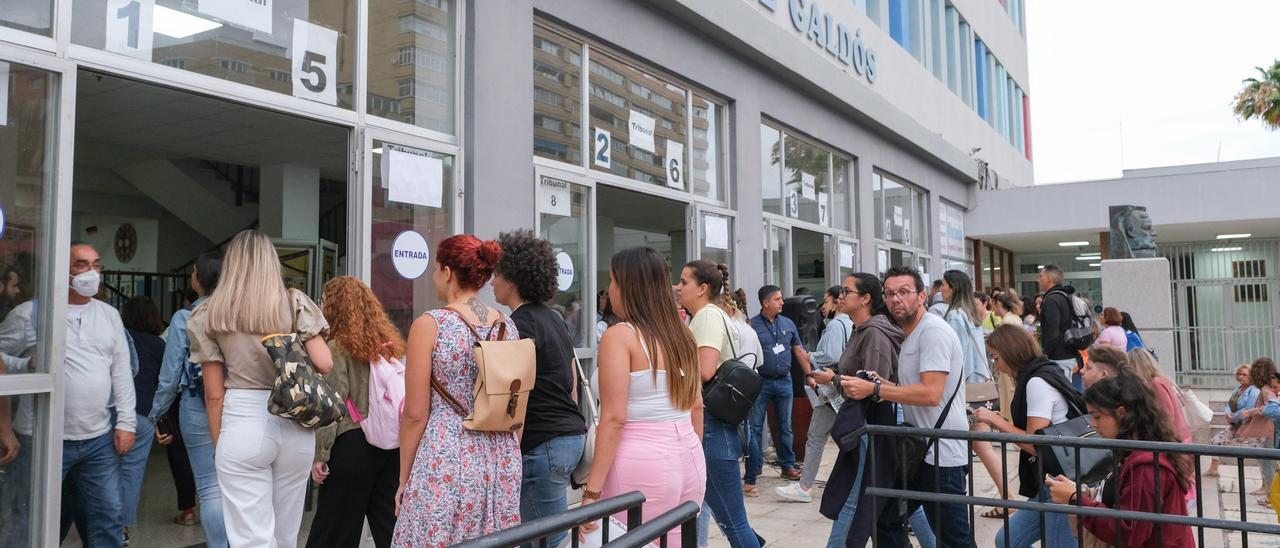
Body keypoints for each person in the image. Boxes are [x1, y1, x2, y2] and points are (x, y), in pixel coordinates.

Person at [188, 230, 332, 547]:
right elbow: (324, 363)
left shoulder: (210, 313)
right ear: (272, 262)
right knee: (284, 537)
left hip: (242, 422)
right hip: (294, 422)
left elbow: (214, 396)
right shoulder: (294, 303)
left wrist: (218, 445)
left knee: (251, 539)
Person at [0, 243, 135, 547]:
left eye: (96, 265)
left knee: (108, 514)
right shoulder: (30, 314)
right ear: (63, 271)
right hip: (42, 436)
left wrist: (126, 422)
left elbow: (121, 372)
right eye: (81, 264)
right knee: (28, 516)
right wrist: (25, 363)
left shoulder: (109, 315)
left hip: (98, 438)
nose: (92, 272)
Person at [394, 234, 521, 545]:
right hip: (501, 454)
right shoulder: (507, 326)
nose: (435, 277)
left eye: (437, 270)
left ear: (448, 272)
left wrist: (403, 478)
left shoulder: (430, 325)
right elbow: (516, 406)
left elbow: (414, 414)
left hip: (447, 452)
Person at [843, 266, 976, 548]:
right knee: (884, 518)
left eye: (904, 292)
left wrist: (878, 389)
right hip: (920, 449)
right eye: (890, 294)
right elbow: (917, 389)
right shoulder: (911, 334)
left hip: (942, 454)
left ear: (922, 295)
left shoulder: (933, 333)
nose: (895, 300)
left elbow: (931, 393)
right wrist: (882, 385)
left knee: (954, 540)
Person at [581, 250, 706, 548]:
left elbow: (613, 418)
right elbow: (697, 405)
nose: (609, 290)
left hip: (639, 461)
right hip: (689, 456)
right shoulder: (683, 336)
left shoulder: (620, 336)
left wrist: (592, 493)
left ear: (628, 286)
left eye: (612, 281)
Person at [492, 230, 587, 548]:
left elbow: (512, 396)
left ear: (512, 278)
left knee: (546, 540)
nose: (492, 281)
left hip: (542, 441)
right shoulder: (555, 318)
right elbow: (570, 381)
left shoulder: (516, 325)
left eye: (497, 273)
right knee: (552, 532)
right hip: (569, 435)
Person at [306, 276, 404, 548]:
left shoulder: (336, 348)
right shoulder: (385, 346)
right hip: (388, 446)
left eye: (325, 302)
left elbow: (331, 406)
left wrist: (320, 455)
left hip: (352, 444)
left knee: (334, 531)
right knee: (389, 528)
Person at [1045, 373, 1195, 547]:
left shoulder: (1145, 467)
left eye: (1097, 416)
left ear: (1121, 413)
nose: (1092, 424)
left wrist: (1075, 498)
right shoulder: (1140, 451)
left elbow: (1128, 532)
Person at [971, 324, 1084, 547]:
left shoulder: (1036, 382)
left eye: (996, 358)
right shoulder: (1043, 371)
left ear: (1011, 353)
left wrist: (997, 421)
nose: (996, 366)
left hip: (1060, 480)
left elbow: (1035, 444)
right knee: (1007, 539)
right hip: (1053, 478)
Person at [150, 251, 226, 547]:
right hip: (237, 403)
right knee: (237, 483)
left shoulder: (187, 317)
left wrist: (157, 413)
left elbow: (169, 375)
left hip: (197, 404)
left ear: (199, 279)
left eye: (193, 271)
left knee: (209, 486)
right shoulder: (238, 314)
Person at [823, 273, 903, 547]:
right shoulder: (860, 331)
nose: (840, 297)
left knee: (852, 500)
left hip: (870, 426)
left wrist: (834, 380)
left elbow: (872, 388)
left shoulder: (874, 335)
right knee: (893, 503)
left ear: (866, 299)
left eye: (847, 291)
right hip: (866, 425)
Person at [930, 270, 1002, 517]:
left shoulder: (955, 316)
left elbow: (954, 357)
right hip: (978, 387)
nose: (941, 290)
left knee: (980, 446)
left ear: (954, 288)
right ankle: (1008, 498)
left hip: (966, 390)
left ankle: (1009, 498)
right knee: (980, 446)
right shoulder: (970, 314)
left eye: (945, 286)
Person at [777, 286, 852, 503]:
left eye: (826, 302)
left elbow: (831, 354)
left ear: (836, 302)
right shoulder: (849, 323)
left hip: (831, 389)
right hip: (840, 388)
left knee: (816, 438)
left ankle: (805, 486)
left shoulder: (837, 324)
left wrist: (809, 355)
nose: (823, 307)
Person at [746, 285, 814, 489]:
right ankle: (754, 468)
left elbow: (800, 351)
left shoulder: (788, 323)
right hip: (761, 381)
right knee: (756, 426)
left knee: (785, 425)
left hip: (784, 381)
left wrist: (809, 375)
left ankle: (787, 465)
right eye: (777, 299)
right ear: (765, 303)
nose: (782, 302)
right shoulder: (752, 326)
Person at [119, 296, 166, 544]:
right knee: (132, 474)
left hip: (113, 412)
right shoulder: (158, 345)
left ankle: (98, 524)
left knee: (102, 471)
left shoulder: (119, 339)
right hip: (143, 415)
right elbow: (164, 383)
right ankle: (122, 530)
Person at [1232, 357, 1278, 497]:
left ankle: (1272, 496)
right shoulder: (1269, 386)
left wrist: (1251, 411)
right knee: (1268, 462)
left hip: (1268, 429)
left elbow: (1271, 407)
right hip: (1269, 428)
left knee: (1268, 463)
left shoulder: (1265, 389)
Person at [1206, 365, 1259, 477]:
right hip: (1235, 425)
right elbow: (1228, 404)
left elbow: (1249, 408)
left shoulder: (1254, 390)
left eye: (1244, 374)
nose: (1241, 377)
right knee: (1216, 441)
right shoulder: (1238, 389)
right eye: (1239, 374)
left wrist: (1233, 417)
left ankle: (1266, 483)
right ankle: (1213, 469)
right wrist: (1227, 413)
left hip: (1247, 426)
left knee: (1260, 456)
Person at [1037, 266, 1079, 385]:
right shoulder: (1065, 296)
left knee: (1061, 394)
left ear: (1049, 279)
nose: (1038, 280)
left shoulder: (1051, 300)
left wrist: (1044, 356)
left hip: (1058, 358)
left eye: (1041, 276)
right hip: (1068, 354)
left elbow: (1052, 331)